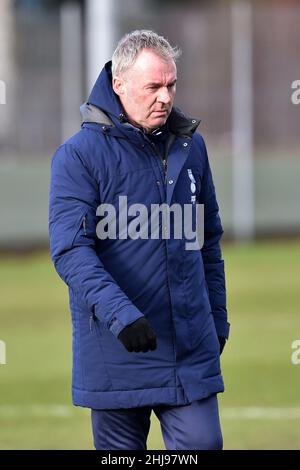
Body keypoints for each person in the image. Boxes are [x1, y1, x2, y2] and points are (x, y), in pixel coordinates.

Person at [49, 30, 230, 450]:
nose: (165, 97)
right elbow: (72, 250)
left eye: (171, 85)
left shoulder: (192, 147)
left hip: (190, 351)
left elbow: (208, 241)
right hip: (118, 350)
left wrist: (216, 318)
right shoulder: (78, 156)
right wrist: (123, 317)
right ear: (119, 84)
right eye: (154, 86)